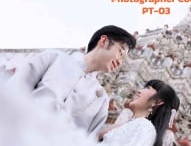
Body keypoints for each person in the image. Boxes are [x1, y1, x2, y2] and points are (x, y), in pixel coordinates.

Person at [5, 25, 136, 138]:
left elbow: (88, 142)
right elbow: (13, 92)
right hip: (14, 134)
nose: (120, 62)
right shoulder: (54, 58)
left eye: (124, 59)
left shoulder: (101, 101)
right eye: (121, 52)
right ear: (104, 41)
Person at [97, 79, 180, 146]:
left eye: (147, 88)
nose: (139, 91)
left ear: (157, 101)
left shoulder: (144, 127)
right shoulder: (135, 124)